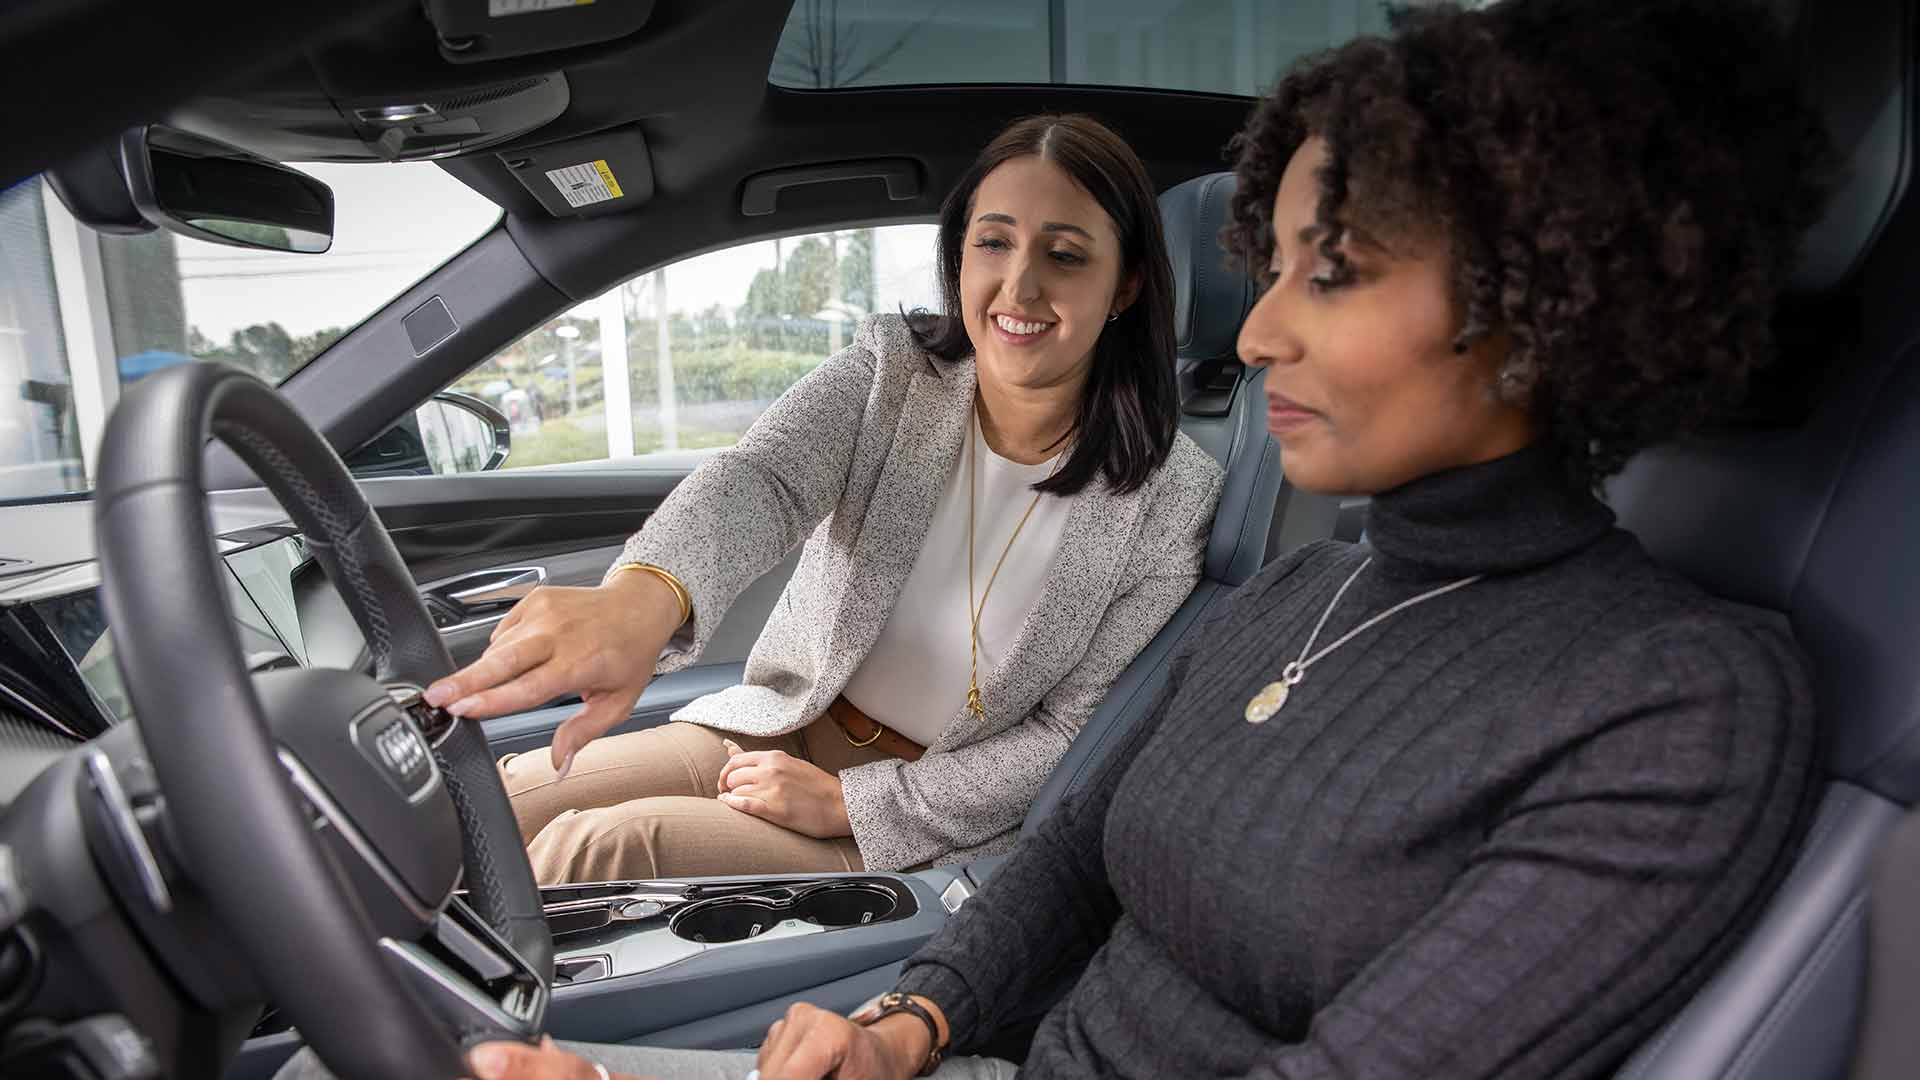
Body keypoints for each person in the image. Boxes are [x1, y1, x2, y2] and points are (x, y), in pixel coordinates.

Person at [414, 0, 1828, 1076]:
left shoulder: (1680, 703)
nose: (1262, 331)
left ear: (1549, 294)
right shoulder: (1305, 593)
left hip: (903, 834)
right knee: (493, 822)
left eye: (1328, 272)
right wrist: (909, 1026)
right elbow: (1081, 848)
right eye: (1267, 270)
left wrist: (865, 845)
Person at [422, 114, 1225, 882]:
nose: (1018, 285)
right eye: (994, 243)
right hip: (785, 723)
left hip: (921, 821)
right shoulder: (892, 374)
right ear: (961, 256)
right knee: (483, 804)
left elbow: (1073, 735)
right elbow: (760, 480)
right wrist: (641, 597)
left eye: (1066, 256)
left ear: (1125, 287)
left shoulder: (1171, 498)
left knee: (600, 849)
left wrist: (857, 803)